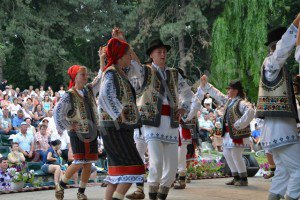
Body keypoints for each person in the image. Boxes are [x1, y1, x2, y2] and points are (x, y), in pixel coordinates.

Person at [126, 38, 194, 200]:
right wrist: (124, 42)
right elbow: (134, 61)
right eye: (159, 52)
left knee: (171, 169)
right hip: (152, 122)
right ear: (152, 55)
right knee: (156, 162)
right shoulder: (146, 71)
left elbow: (187, 93)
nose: (163, 54)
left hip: (170, 123)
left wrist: (184, 106)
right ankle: (151, 195)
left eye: (164, 51)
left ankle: (161, 195)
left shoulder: (174, 74)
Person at [255, 14, 300, 200]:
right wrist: (297, 23)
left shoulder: (277, 69)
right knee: (299, 169)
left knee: (282, 173)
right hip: (281, 131)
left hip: (277, 130)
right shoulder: (271, 64)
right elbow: (283, 49)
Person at [98, 37, 145, 200]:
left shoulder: (118, 72)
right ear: (119, 56)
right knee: (135, 167)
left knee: (117, 171)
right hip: (115, 128)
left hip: (115, 127)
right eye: (127, 55)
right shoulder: (111, 73)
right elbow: (105, 94)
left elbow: (139, 69)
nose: (130, 58)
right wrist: (118, 112)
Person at [54, 64, 101, 200]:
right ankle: (61, 184)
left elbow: (100, 78)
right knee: (79, 161)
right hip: (77, 133)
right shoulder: (69, 95)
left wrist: (102, 59)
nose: (86, 77)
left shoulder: (89, 90)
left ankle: (81, 191)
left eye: (86, 74)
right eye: (83, 74)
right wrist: (68, 125)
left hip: (91, 132)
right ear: (75, 77)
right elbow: (58, 112)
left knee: (88, 163)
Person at [199, 76, 254, 186]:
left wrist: (239, 124)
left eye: (229, 89)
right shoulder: (229, 101)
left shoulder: (242, 103)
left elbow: (251, 111)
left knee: (236, 155)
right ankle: (236, 177)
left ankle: (243, 179)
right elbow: (217, 94)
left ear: (236, 90)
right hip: (228, 134)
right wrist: (207, 85)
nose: (227, 91)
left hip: (238, 135)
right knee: (227, 154)